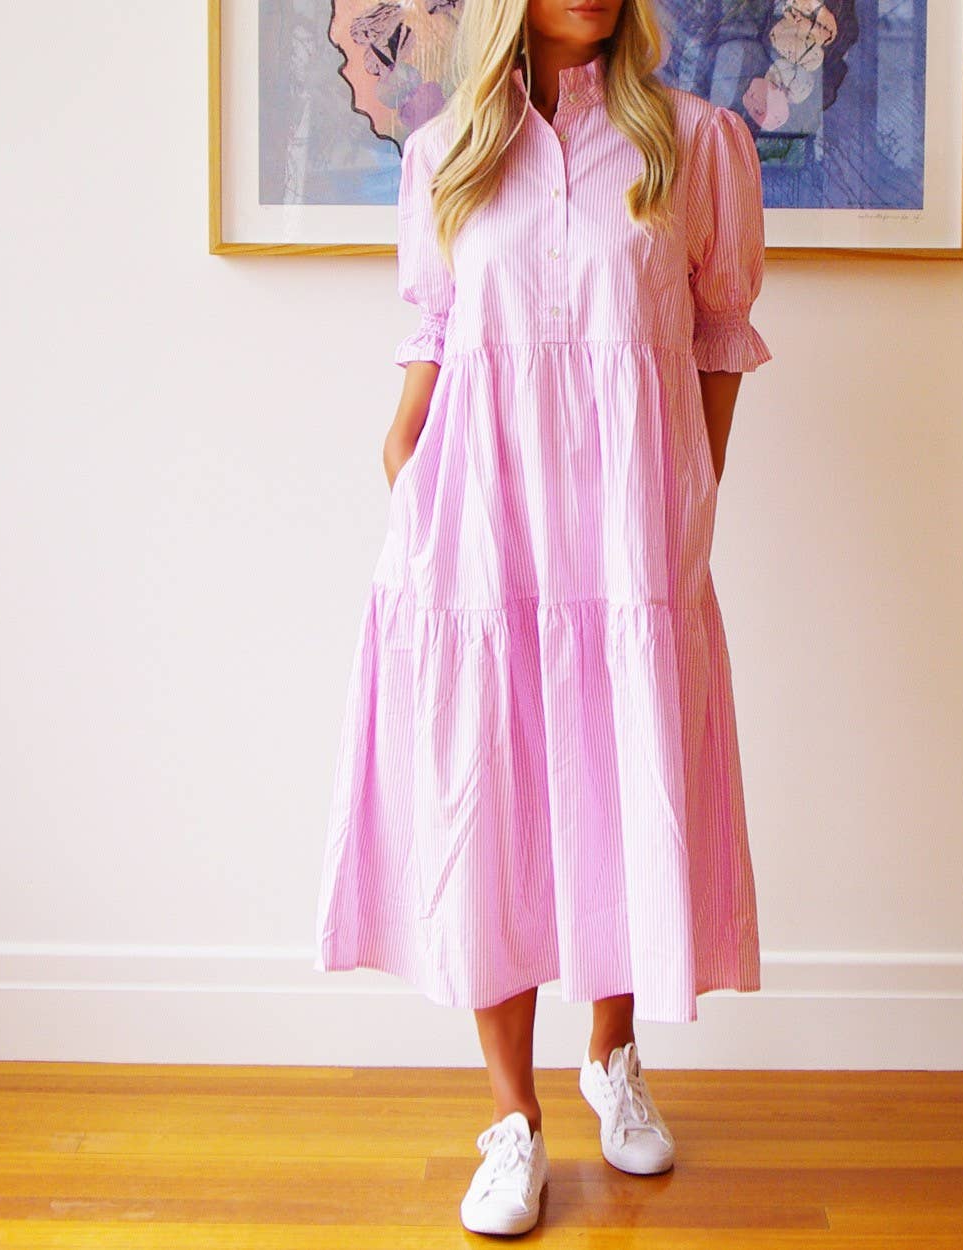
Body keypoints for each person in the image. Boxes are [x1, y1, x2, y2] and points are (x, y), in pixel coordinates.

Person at [313, 0, 772, 1234]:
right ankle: (511, 1117)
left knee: (626, 780)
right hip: (477, 531)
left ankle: (612, 1056)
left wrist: (691, 491)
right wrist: (404, 455)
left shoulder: (696, 143)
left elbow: (720, 336)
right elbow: (435, 331)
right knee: (493, 797)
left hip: (628, 538)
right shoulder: (445, 153)